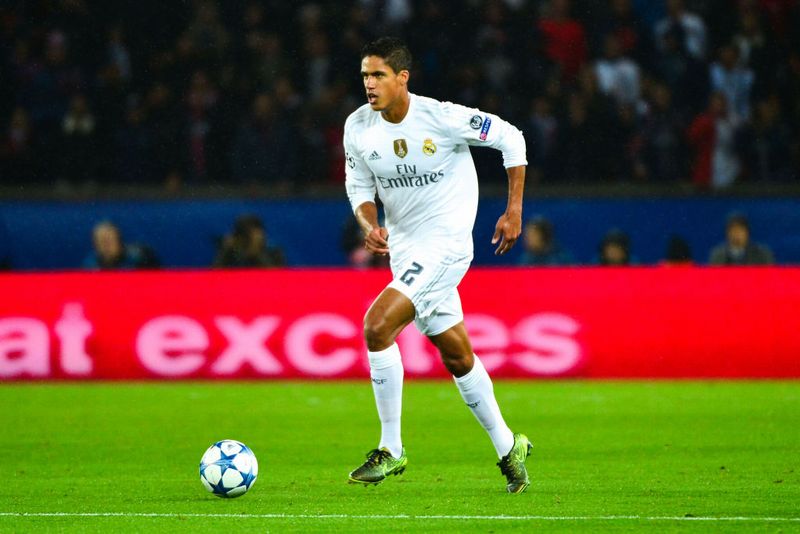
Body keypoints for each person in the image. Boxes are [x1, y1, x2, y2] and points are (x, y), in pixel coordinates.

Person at [343, 37, 531, 493]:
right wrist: (369, 223)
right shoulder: (358, 126)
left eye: (379, 75)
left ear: (402, 78)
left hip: (446, 246)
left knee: (376, 326)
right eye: (365, 75)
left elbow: (512, 138)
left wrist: (513, 211)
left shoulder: (442, 117)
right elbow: (358, 185)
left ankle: (391, 448)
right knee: (458, 355)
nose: (369, 84)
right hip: (406, 252)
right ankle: (510, 446)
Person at [213, 214, 285, 268]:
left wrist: (257, 253)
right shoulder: (232, 252)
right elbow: (214, 277)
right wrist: (226, 250)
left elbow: (280, 278)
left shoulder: (273, 252)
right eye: (246, 235)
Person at [83, 221, 159, 270]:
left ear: (119, 240)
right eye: (101, 242)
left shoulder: (140, 258)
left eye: (109, 240)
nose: (106, 246)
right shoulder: (91, 265)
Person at [708, 213, 774, 265]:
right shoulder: (718, 256)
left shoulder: (762, 255)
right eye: (733, 230)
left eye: (740, 230)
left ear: (747, 233)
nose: (736, 234)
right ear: (727, 233)